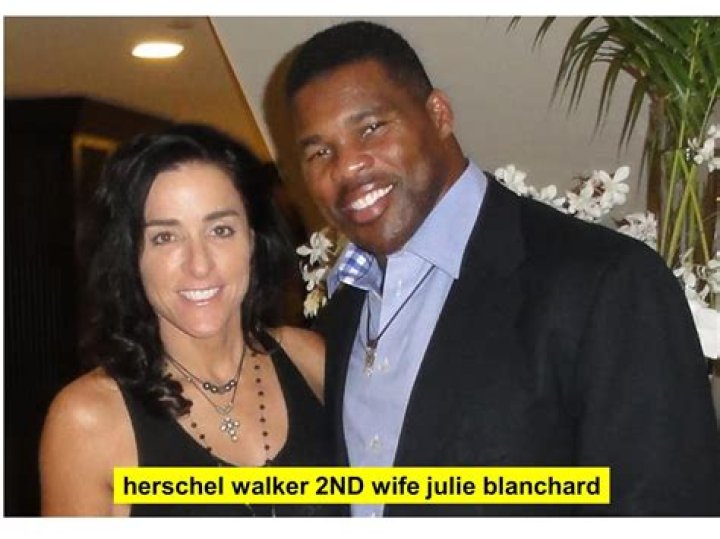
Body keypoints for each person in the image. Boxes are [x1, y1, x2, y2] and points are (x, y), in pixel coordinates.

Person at [284, 20, 720, 516]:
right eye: (319, 152)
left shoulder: (604, 282)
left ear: (439, 114)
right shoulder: (344, 315)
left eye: (371, 129)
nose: (346, 167)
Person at [39, 124, 340, 516]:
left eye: (220, 230)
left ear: (252, 241)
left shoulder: (310, 359)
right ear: (132, 255)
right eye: (165, 237)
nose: (199, 265)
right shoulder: (87, 421)